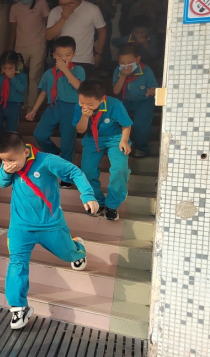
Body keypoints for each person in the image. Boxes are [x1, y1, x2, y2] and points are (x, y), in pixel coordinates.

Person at [0, 131, 98, 330]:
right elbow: (1, 181)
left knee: (68, 254)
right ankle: (18, 308)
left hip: (50, 225)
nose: (8, 164)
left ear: (26, 152)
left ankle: (77, 247)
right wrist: (6, 171)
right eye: (4, 160)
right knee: (16, 263)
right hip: (20, 227)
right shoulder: (9, 164)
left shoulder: (47, 161)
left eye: (11, 160)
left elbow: (75, 172)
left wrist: (87, 195)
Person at [26, 36, 85, 189]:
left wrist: (65, 69)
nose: (64, 58)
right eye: (59, 55)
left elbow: (79, 87)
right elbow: (44, 92)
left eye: (67, 55)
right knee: (39, 134)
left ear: (73, 54)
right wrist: (34, 110)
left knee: (67, 143)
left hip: (71, 108)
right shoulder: (48, 73)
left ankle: (66, 177)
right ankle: (53, 151)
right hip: (53, 106)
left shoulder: (78, 70)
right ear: (53, 55)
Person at [74, 81, 133, 221]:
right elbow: (80, 130)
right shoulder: (79, 107)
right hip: (92, 139)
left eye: (90, 104)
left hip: (115, 138)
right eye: (82, 102)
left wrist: (124, 140)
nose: (85, 106)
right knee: (87, 171)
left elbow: (126, 124)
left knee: (120, 169)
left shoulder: (115, 105)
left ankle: (112, 205)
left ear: (101, 99)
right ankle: (97, 203)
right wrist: (85, 116)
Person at [46, 0, 107, 79]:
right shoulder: (55, 12)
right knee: (51, 83)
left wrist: (99, 53)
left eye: (70, 3)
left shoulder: (92, 9)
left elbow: (102, 30)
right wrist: (63, 18)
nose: (67, 7)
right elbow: (49, 36)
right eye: (63, 4)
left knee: (77, 86)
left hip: (84, 59)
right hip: (60, 58)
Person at [7, 0, 50, 110]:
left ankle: (32, 105)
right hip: (20, 47)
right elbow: (13, 29)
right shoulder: (15, 8)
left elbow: (49, 22)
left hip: (38, 45)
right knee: (19, 75)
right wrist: (9, 48)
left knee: (34, 76)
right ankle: (22, 101)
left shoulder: (41, 3)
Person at [112, 45, 157, 158]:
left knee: (140, 124)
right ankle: (120, 146)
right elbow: (116, 91)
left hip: (144, 101)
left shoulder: (145, 70)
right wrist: (123, 76)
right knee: (120, 122)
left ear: (137, 59)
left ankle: (141, 148)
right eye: (122, 63)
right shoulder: (118, 70)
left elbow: (155, 89)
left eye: (129, 62)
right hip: (126, 101)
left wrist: (151, 92)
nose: (126, 66)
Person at [0, 51, 28, 138]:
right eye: (4, 68)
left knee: (11, 129)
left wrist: (12, 78)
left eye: (10, 68)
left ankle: (9, 142)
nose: (7, 71)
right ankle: (1, 140)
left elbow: (22, 89)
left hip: (15, 104)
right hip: (0, 103)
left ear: (16, 65)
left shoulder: (21, 75)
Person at [87, 0, 116, 65]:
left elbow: (113, 13)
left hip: (106, 24)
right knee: (89, 45)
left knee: (105, 45)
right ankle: (92, 65)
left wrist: (104, 3)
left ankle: (106, 66)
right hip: (92, 26)